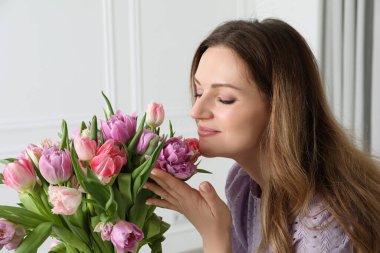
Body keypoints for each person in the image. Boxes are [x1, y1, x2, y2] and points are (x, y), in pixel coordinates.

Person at [143, 19, 380, 253]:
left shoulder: (325, 222)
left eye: (224, 98)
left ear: (280, 107)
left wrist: (214, 235)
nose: (195, 111)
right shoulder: (243, 184)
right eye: (199, 92)